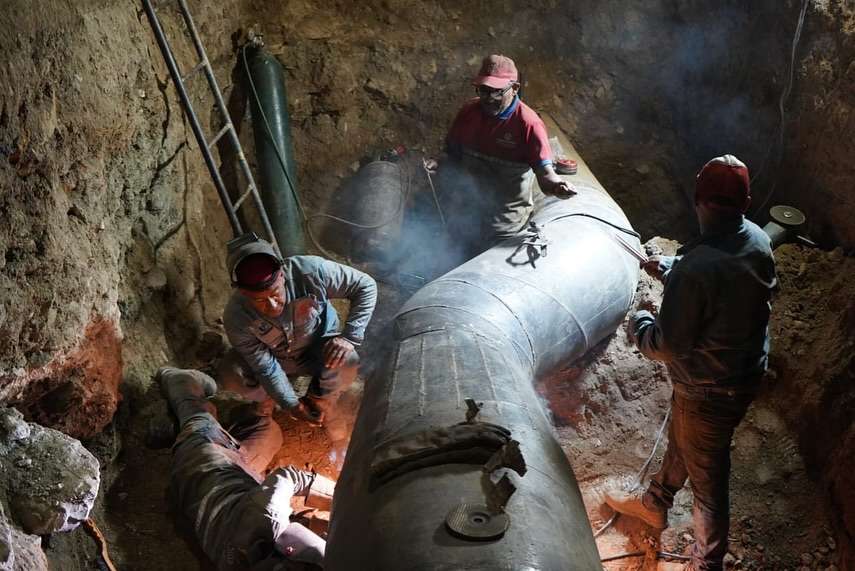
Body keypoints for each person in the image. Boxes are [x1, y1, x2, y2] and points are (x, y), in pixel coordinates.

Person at [604, 155, 777, 571]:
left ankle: (706, 563)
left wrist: (641, 322)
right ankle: (654, 503)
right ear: (746, 202)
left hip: (709, 389)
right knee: (686, 440)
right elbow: (721, 285)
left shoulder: (697, 268)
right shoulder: (757, 239)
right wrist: (672, 269)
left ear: (697, 200)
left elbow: (668, 345)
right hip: (743, 374)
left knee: (708, 484)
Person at [157, 366, 334, 570]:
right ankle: (225, 423)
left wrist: (340, 499)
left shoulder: (267, 517)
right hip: (238, 484)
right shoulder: (256, 558)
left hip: (202, 463)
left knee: (197, 413)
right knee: (271, 433)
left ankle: (177, 386)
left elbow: (288, 477)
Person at [218, 233, 377, 452]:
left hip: (319, 350)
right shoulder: (237, 317)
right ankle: (266, 407)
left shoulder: (311, 272)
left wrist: (349, 336)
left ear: (282, 274)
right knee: (231, 372)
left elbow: (366, 286)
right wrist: (290, 403)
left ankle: (321, 403)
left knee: (347, 359)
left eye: (276, 293)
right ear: (243, 293)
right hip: (279, 359)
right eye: (260, 301)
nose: (273, 306)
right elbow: (266, 367)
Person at [430, 54, 576, 258]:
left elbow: (545, 173)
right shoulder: (468, 112)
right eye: (483, 91)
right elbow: (451, 154)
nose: (488, 99)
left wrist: (557, 186)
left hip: (502, 228)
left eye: (497, 92)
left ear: (515, 88)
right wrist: (438, 163)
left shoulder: (528, 125)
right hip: (465, 216)